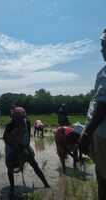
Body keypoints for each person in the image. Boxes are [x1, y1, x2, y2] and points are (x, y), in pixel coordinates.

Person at [80, 28, 106, 200]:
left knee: (103, 178)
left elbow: (103, 104)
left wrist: (86, 132)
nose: (102, 49)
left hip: (104, 136)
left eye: (104, 45)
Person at [3, 107, 50, 194]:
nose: (20, 120)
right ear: (13, 117)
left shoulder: (27, 123)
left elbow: (27, 137)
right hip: (12, 146)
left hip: (24, 145)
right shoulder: (10, 125)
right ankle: (12, 187)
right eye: (17, 118)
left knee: (35, 164)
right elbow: (5, 138)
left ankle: (46, 184)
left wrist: (25, 148)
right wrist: (15, 145)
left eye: (21, 118)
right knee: (9, 166)